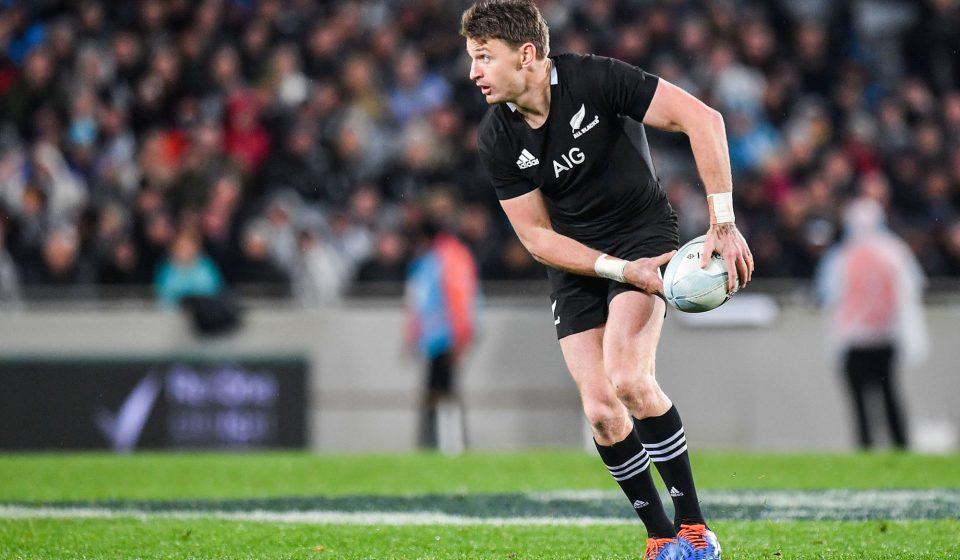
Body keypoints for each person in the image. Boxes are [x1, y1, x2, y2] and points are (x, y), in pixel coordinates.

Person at [460, 2, 754, 559]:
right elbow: (537, 239)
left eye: (483, 57)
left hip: (642, 235)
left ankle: (694, 529)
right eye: (471, 58)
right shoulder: (496, 136)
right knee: (600, 410)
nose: (473, 72)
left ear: (526, 55)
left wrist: (723, 223)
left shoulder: (595, 78)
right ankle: (661, 539)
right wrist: (615, 270)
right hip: (577, 261)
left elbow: (704, 119)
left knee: (628, 378)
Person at [815, 197, 928, 450]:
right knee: (889, 397)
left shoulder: (842, 256)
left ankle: (869, 448)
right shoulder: (894, 252)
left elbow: (826, 294)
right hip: (884, 337)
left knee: (862, 403)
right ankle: (900, 447)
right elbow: (914, 287)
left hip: (856, 341)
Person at [404, 220, 480, 454]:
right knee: (442, 392)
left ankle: (442, 444)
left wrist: (458, 335)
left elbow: (452, 297)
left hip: (442, 338)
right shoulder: (450, 255)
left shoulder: (439, 259)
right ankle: (446, 444)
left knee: (441, 393)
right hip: (442, 337)